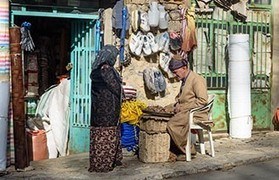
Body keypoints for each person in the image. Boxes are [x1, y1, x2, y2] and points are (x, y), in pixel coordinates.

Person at [167, 55, 208, 161]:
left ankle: (189, 151)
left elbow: (202, 101)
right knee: (165, 115)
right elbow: (182, 98)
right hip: (186, 111)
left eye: (176, 72)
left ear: (184, 68)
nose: (175, 75)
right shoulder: (185, 80)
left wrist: (183, 107)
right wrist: (175, 105)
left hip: (196, 113)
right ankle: (175, 149)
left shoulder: (197, 79)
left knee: (172, 124)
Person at [89, 45, 123, 172]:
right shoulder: (106, 69)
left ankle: (98, 162)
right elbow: (115, 86)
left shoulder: (96, 69)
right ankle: (105, 163)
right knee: (108, 133)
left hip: (98, 108)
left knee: (99, 133)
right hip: (108, 108)